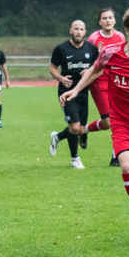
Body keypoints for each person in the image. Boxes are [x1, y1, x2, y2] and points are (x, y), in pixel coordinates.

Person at [61, 6, 129, 242]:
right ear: (126, 31)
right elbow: (94, 70)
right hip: (122, 123)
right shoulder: (110, 52)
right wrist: (75, 90)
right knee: (126, 166)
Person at [48, 20, 98, 169]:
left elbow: (99, 70)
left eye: (81, 29)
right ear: (71, 30)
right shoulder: (61, 49)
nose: (78, 32)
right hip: (66, 93)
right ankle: (75, 159)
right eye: (76, 29)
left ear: (85, 31)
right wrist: (61, 78)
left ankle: (58, 136)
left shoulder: (92, 49)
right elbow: (52, 68)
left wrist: (89, 73)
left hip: (83, 92)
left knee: (81, 130)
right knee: (75, 128)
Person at [85, 8, 126, 166]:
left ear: (115, 20)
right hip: (99, 81)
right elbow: (89, 61)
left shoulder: (120, 36)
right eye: (104, 18)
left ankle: (115, 155)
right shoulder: (94, 38)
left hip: (116, 81)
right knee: (109, 122)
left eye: (110, 17)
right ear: (100, 21)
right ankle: (86, 131)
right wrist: (99, 53)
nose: (108, 20)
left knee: (117, 120)